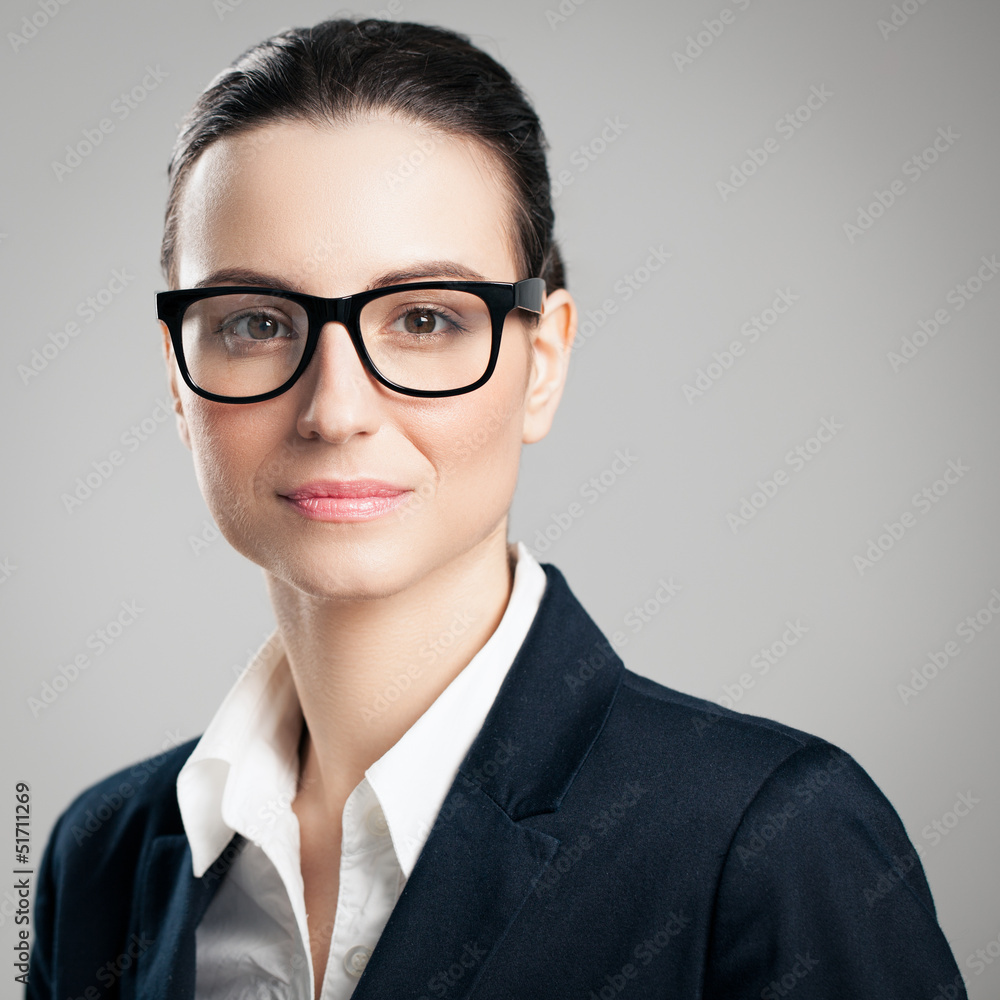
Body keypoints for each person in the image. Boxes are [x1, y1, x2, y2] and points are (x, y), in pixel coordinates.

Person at [27, 16, 968, 1000]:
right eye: (256, 323)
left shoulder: (770, 842)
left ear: (542, 363)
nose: (335, 409)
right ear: (178, 380)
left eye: (425, 318)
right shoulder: (99, 859)